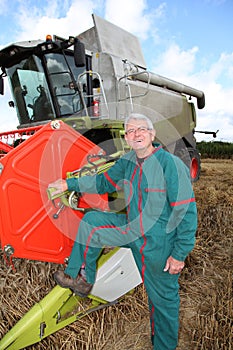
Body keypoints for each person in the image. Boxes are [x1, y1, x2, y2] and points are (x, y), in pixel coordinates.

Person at [49, 113, 197, 350]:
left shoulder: (170, 165)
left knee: (162, 302)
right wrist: (70, 184)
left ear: (152, 134)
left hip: (159, 245)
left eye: (141, 129)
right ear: (126, 138)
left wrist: (179, 254)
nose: (136, 134)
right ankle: (80, 278)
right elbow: (102, 182)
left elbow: (186, 213)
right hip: (133, 231)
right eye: (130, 131)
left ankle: (164, 346)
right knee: (92, 222)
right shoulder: (128, 162)